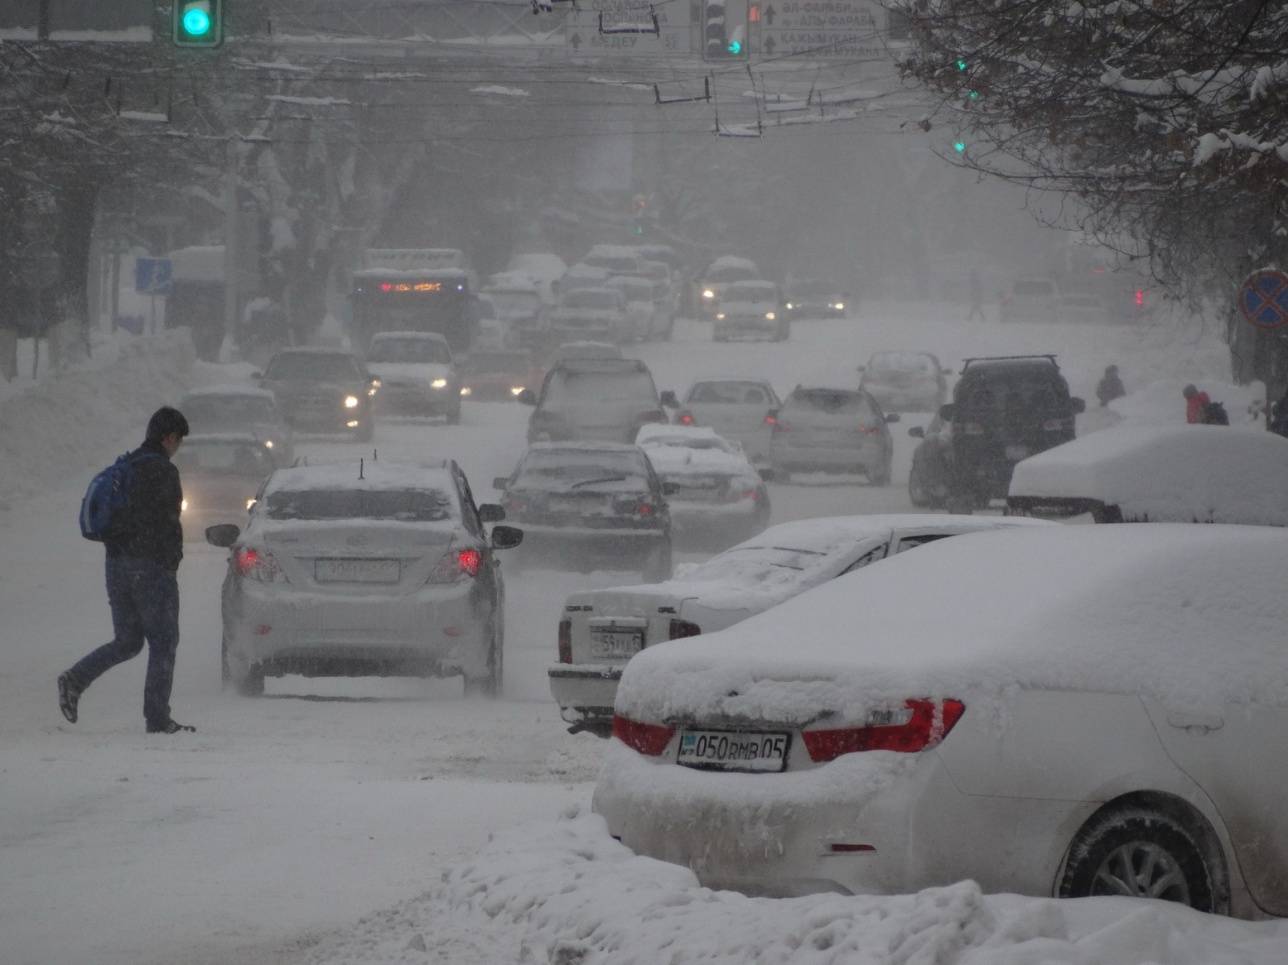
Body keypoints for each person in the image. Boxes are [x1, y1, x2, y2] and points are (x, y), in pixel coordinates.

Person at [58, 407, 194, 734]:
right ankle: (157, 718)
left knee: (128, 640)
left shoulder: (128, 465)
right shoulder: (163, 471)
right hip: (149, 567)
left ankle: (75, 679)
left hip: (117, 565)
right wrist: (171, 561)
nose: (178, 448)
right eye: (179, 441)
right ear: (170, 437)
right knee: (164, 641)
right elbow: (167, 523)